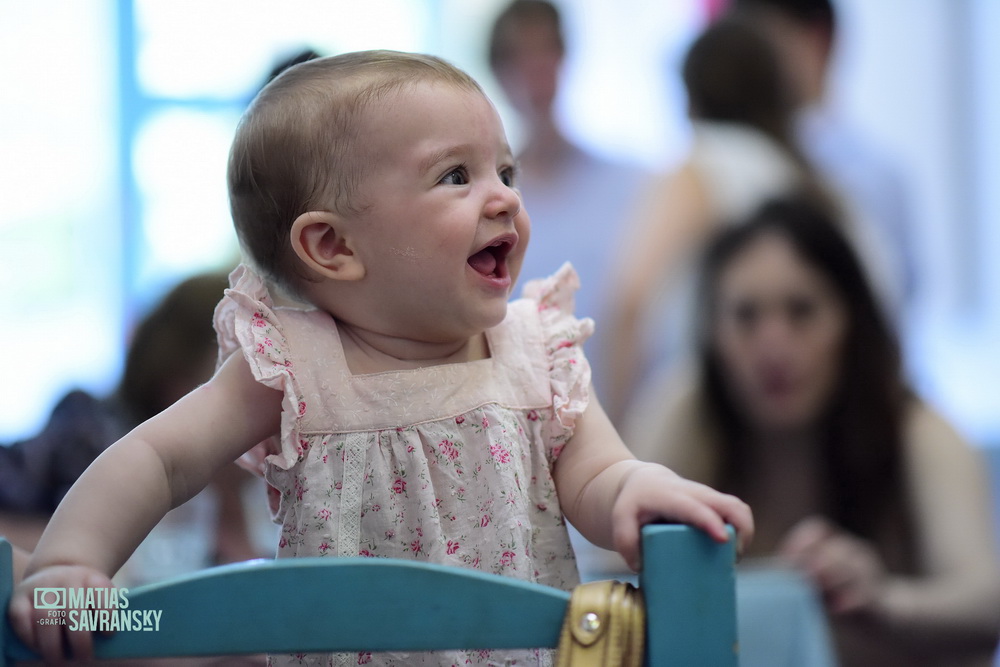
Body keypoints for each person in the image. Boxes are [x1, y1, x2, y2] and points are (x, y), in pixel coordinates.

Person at [9, 50, 752, 666]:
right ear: (333, 247)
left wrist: (636, 490)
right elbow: (158, 459)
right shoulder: (294, 367)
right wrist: (68, 564)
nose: (502, 200)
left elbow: (599, 472)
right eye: (456, 176)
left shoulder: (534, 353)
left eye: (505, 171)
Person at [625, 196, 1000, 666]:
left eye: (801, 311)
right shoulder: (685, 409)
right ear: (713, 333)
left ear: (851, 321)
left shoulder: (917, 430)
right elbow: (612, 579)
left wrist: (882, 600)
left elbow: (986, 610)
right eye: (746, 316)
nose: (773, 345)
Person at [602, 11, 893, 424]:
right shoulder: (814, 183)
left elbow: (629, 303)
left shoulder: (702, 167)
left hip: (730, 422)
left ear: (689, 96)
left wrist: (619, 442)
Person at [0, 272, 261, 569]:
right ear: (178, 382)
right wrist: (83, 561)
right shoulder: (91, 435)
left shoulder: (256, 485)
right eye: (249, 367)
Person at [487, 0, 650, 403]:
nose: (536, 70)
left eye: (547, 51)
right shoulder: (491, 201)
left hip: (624, 402)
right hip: (522, 408)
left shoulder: (632, 183)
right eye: (520, 56)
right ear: (499, 72)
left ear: (564, 58)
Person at [732, 0, 917, 316]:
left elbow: (898, 304)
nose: (750, 64)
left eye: (763, 42)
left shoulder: (872, 175)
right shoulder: (736, 158)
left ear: (816, 40)